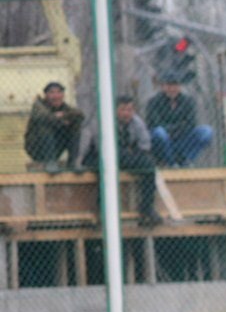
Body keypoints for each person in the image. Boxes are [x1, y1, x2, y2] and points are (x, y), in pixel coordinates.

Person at [80, 97, 160, 227]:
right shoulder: (103, 122)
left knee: (149, 165)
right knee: (106, 168)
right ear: (114, 110)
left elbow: (145, 145)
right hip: (98, 156)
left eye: (130, 110)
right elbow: (102, 147)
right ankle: (103, 211)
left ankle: (147, 209)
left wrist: (135, 154)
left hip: (126, 156)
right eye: (123, 110)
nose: (127, 113)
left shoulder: (137, 122)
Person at [145, 75, 213, 167]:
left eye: (175, 85)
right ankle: (171, 163)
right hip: (164, 140)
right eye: (169, 86)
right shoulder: (154, 102)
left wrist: (173, 129)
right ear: (163, 86)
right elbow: (154, 123)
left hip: (182, 137)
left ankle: (185, 159)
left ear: (180, 86)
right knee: (159, 132)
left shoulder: (187, 101)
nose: (172, 89)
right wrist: (178, 127)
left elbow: (191, 123)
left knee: (206, 131)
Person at [24, 82, 85, 173]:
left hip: (56, 146)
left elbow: (80, 115)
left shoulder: (64, 107)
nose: (56, 96)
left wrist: (63, 115)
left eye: (59, 92)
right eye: (52, 92)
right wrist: (61, 120)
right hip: (37, 148)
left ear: (63, 95)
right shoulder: (38, 105)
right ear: (46, 95)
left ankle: (73, 162)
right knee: (45, 124)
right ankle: (50, 161)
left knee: (75, 125)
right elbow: (43, 116)